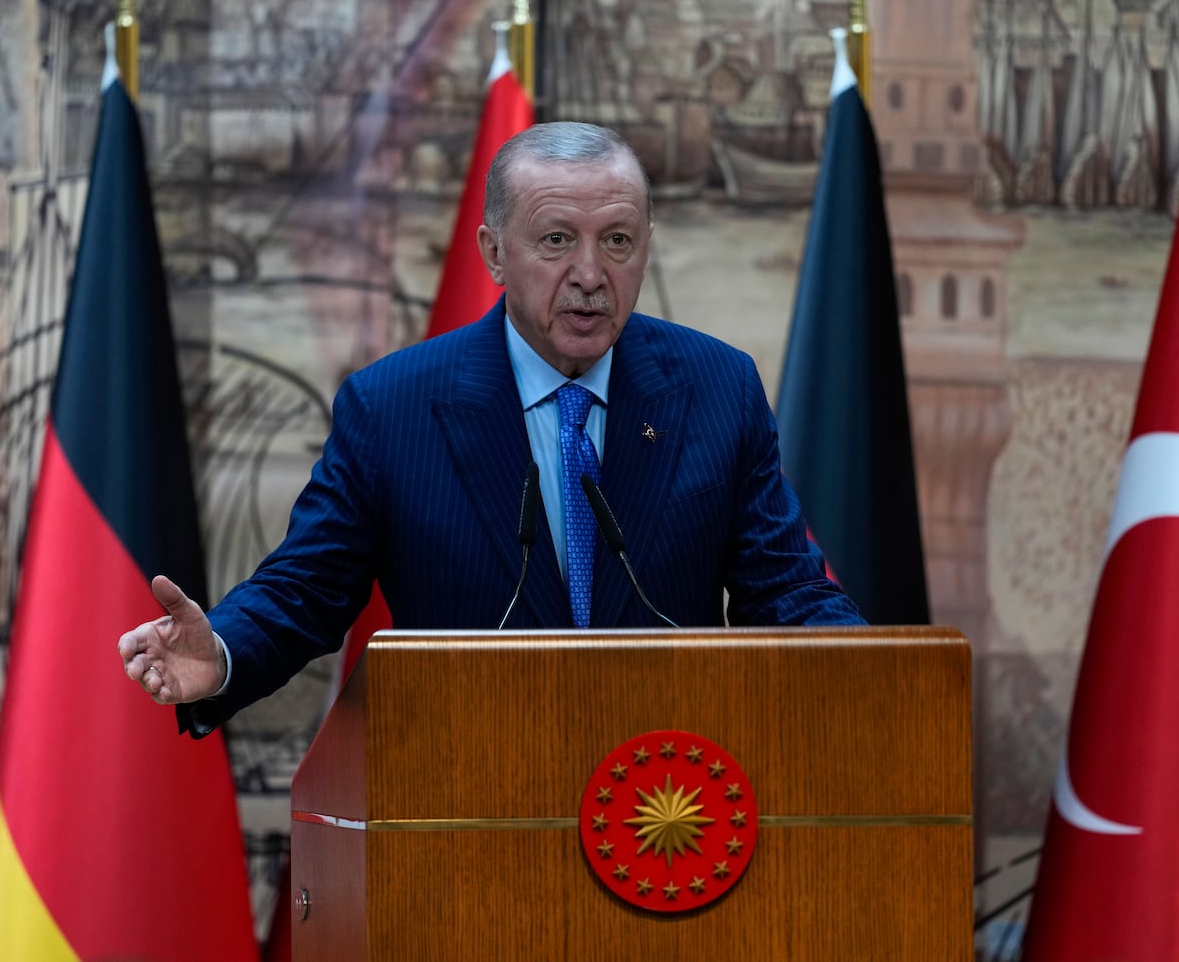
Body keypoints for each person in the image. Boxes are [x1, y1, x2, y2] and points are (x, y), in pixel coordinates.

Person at [118, 121, 864, 732]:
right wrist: (220, 650)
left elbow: (787, 590)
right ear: (494, 252)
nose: (590, 274)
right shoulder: (394, 407)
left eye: (617, 241)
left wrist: (880, 664)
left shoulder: (716, 387)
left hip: (667, 811)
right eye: (555, 240)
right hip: (470, 805)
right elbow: (303, 589)